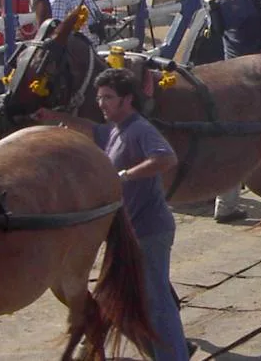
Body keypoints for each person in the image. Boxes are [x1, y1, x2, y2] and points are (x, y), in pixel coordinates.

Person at [34, 69, 188, 361]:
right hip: (126, 234)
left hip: (150, 230)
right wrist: (55, 117)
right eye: (99, 97)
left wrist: (125, 176)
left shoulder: (139, 129)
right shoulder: (115, 129)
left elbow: (166, 157)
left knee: (156, 302)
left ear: (127, 99)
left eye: (108, 97)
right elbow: (90, 128)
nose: (101, 103)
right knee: (119, 298)